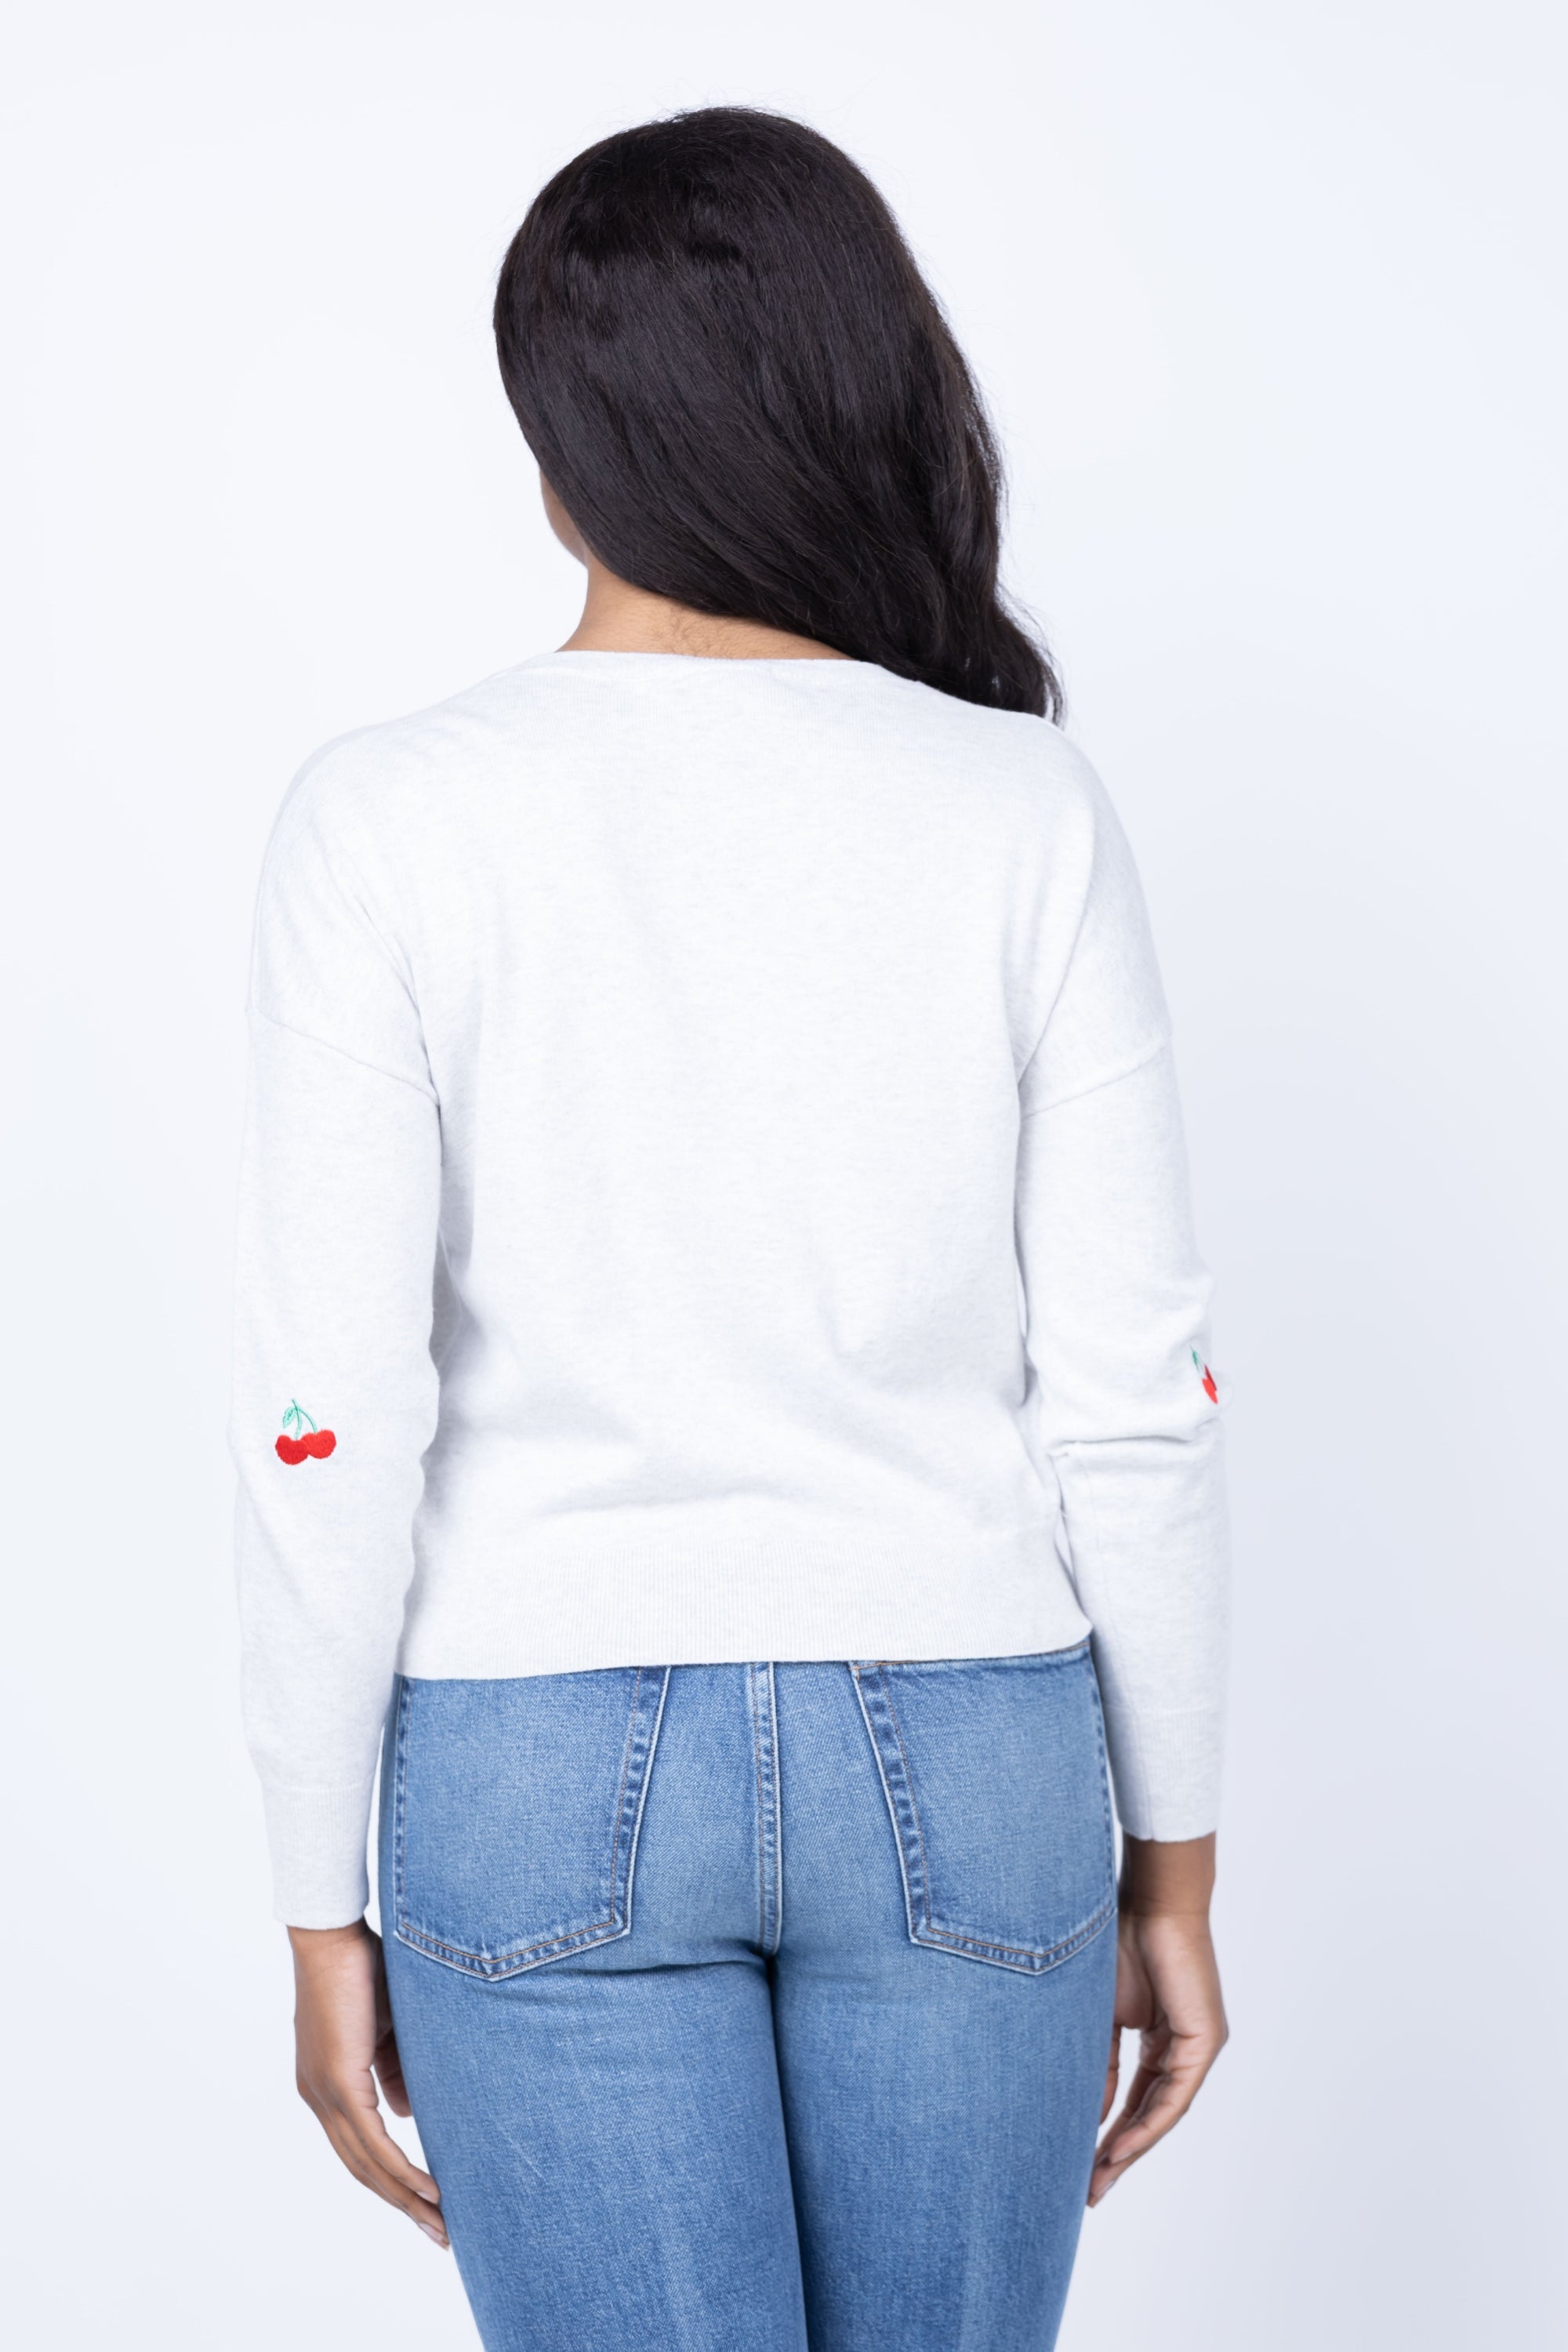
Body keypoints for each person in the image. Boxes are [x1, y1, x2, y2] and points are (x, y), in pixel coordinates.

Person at [232, 106, 1230, 2352]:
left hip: (530, 1754)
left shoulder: (386, 821)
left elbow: (329, 1416)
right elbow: (1138, 1401)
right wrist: (1173, 1862)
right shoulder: (1022, 809)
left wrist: (315, 1896)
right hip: (973, 1751)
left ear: (555, 447)